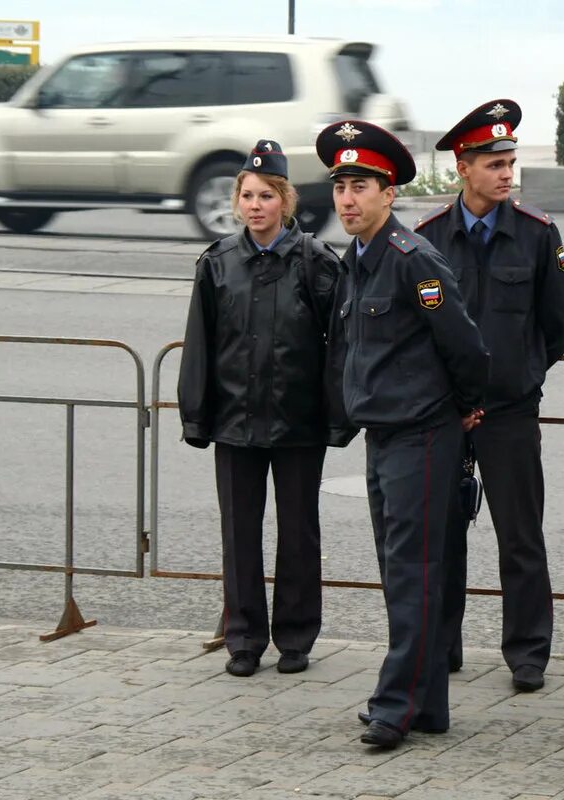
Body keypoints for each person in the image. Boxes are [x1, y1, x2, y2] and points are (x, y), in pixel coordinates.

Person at [317, 119, 489, 750]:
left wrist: (465, 409)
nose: (347, 200)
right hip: (383, 433)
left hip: (421, 434)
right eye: (340, 187)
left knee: (414, 573)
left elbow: (467, 348)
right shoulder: (358, 260)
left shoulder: (412, 260)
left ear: (389, 194)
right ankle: (428, 704)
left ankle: (397, 704)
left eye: (360, 186)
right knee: (401, 572)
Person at [414, 99, 564, 693]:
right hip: (447, 412)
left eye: (510, 161)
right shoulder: (429, 236)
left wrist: (521, 376)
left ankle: (528, 653)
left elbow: (558, 324)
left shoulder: (536, 234)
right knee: (442, 535)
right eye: (494, 163)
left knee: (520, 536)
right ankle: (443, 645)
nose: (507, 173)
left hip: (509, 411)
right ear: (464, 167)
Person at [178, 139, 339, 679]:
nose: (255, 205)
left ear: (285, 201)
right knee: (239, 533)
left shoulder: (315, 262)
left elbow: (338, 344)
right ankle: (243, 638)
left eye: (266, 195)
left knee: (298, 532)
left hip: (298, 423)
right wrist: (196, 415)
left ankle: (296, 638)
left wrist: (337, 416)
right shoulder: (218, 263)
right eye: (246, 195)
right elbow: (200, 343)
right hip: (235, 421)